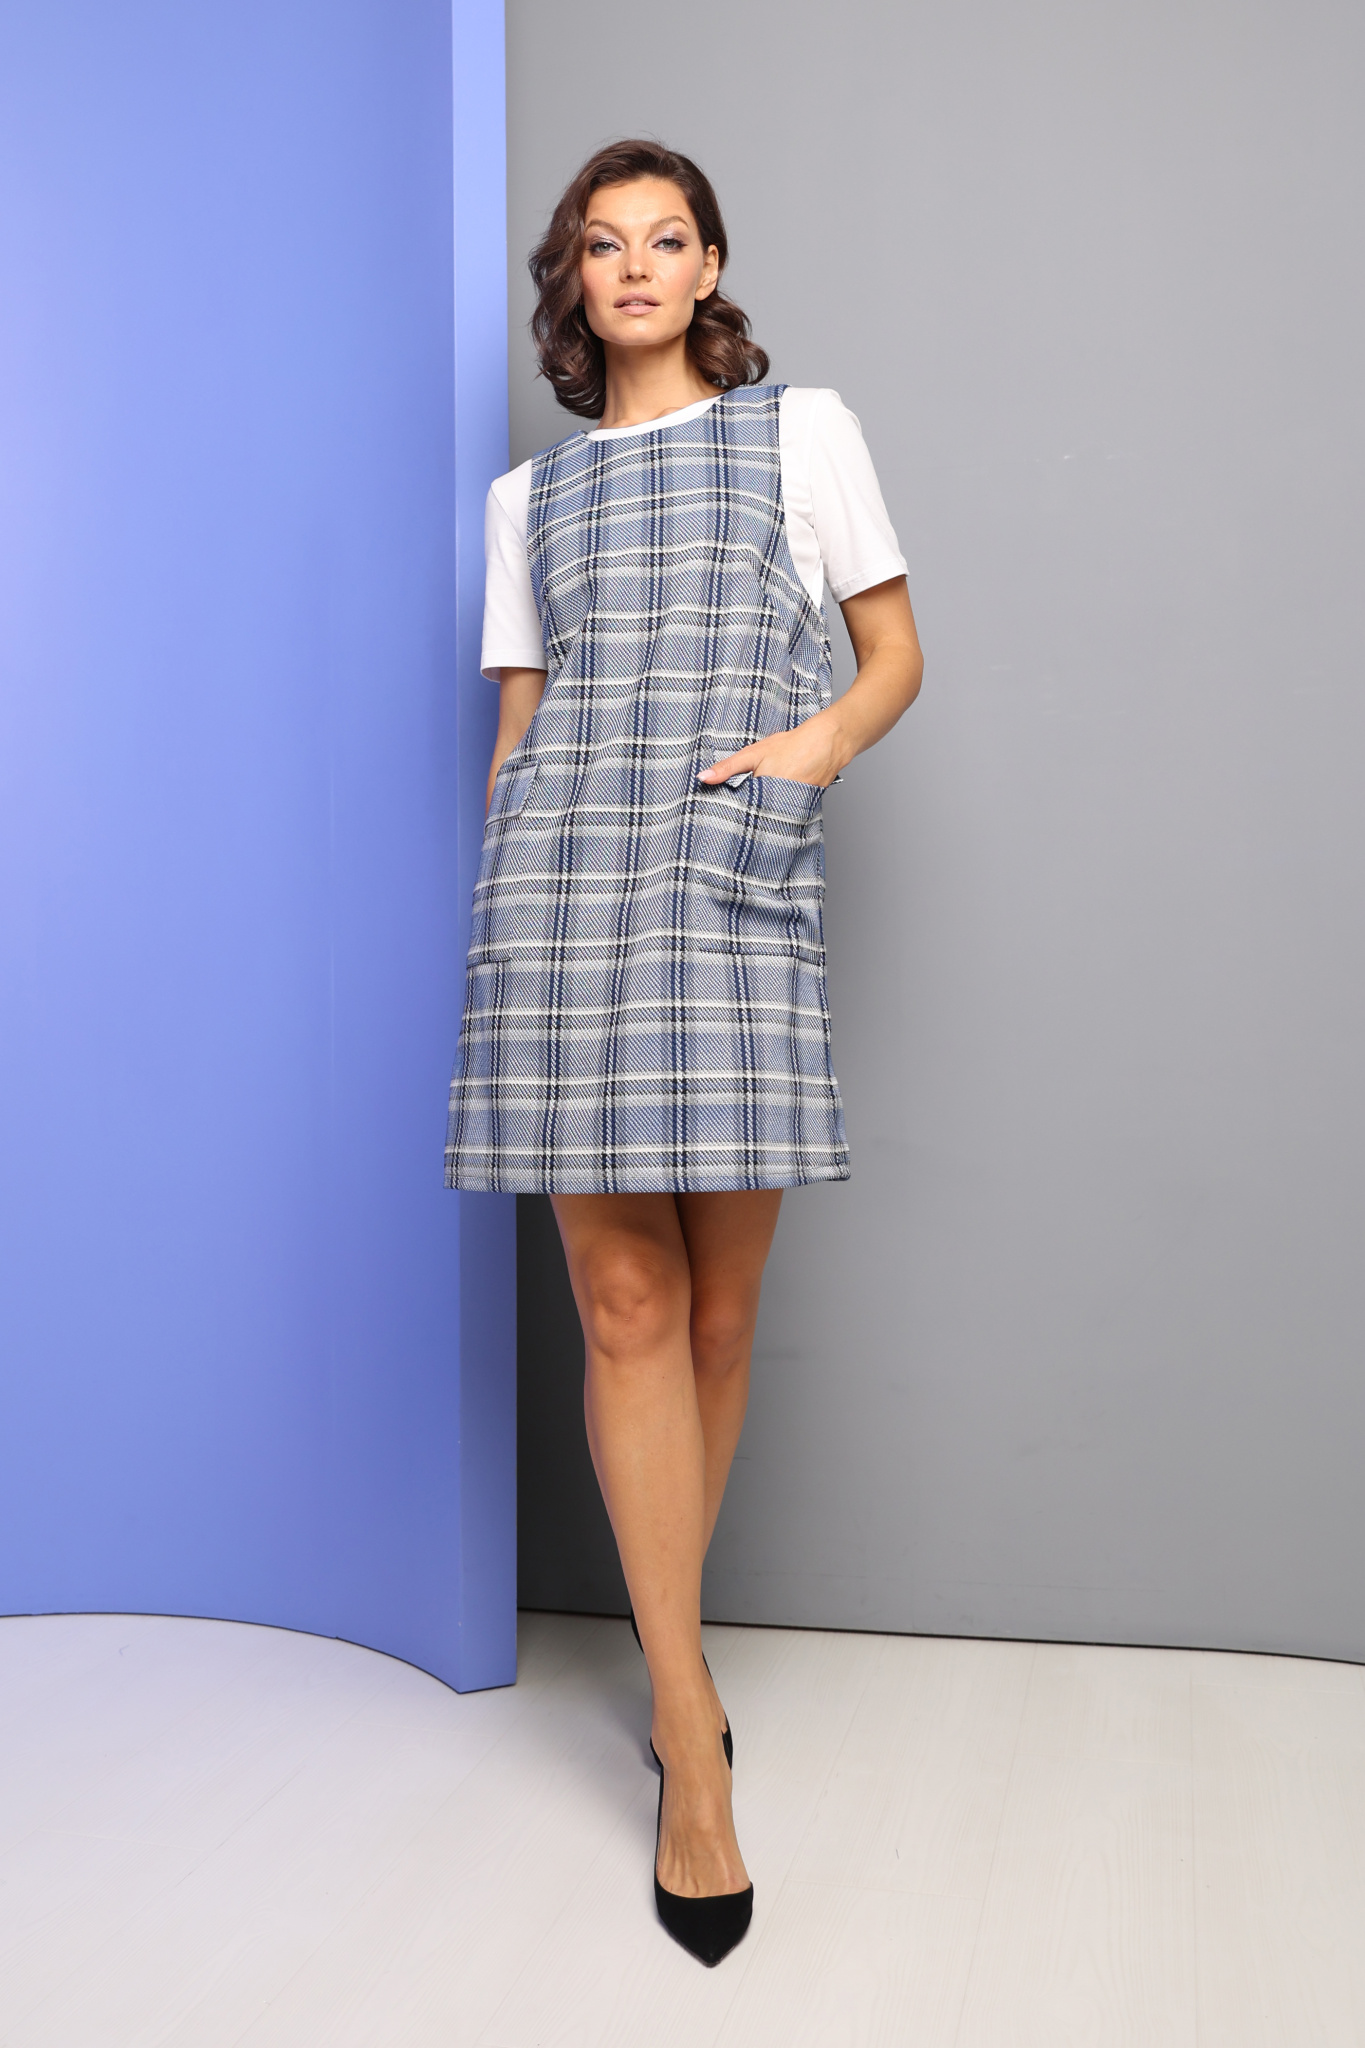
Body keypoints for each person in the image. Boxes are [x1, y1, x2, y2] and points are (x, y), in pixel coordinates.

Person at [446, 139, 922, 1965]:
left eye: (665, 238)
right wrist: (500, 908)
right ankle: (686, 1735)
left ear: (708, 263)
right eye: (601, 242)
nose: (634, 265)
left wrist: (808, 753)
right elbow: (520, 730)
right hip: (564, 897)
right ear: (572, 280)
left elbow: (890, 657)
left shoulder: (802, 432)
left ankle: (672, 1672)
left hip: (723, 882)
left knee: (719, 1316)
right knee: (623, 1305)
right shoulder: (528, 496)